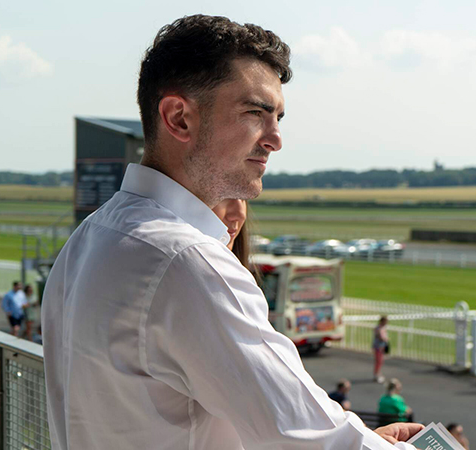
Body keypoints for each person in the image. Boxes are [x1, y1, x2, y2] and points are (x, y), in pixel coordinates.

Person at [41, 15, 422, 450]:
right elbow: (315, 440)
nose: (275, 139)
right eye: (255, 113)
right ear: (179, 118)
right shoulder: (185, 261)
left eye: (278, 116)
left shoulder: (90, 237)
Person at [373, 316, 390, 383]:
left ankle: (378, 374)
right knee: (378, 361)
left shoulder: (383, 328)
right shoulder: (378, 328)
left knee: (380, 361)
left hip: (382, 346)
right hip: (378, 346)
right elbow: (380, 337)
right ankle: (376, 374)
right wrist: (385, 338)